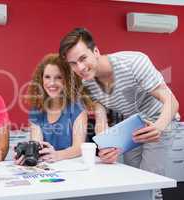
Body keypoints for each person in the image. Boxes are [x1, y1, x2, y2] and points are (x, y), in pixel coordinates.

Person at [59, 27, 179, 176]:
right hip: (131, 125)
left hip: (159, 118)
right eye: (73, 63)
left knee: (150, 175)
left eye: (83, 58)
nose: (80, 67)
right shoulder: (87, 84)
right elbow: (101, 120)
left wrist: (159, 127)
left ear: (96, 51)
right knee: (132, 174)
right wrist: (106, 147)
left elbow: (171, 101)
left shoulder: (133, 62)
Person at [16, 53, 92, 165]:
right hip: (50, 167)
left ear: (67, 80)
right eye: (47, 77)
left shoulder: (77, 108)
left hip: (73, 168)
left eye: (58, 77)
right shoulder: (37, 110)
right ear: (41, 79)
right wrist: (28, 154)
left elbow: (78, 148)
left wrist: (58, 155)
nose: (51, 83)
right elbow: (38, 144)